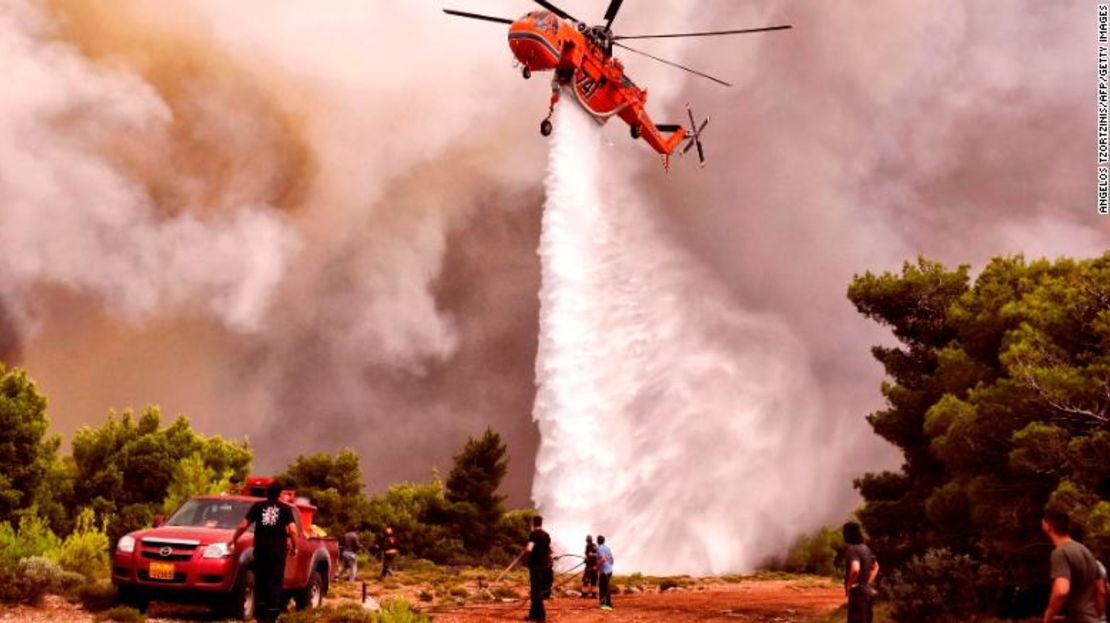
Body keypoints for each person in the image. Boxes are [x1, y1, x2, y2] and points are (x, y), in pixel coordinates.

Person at [229, 481, 298, 623]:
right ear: (280, 494)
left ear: (267, 492)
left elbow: (243, 525)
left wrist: (233, 539)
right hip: (278, 551)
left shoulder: (258, 506)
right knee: (275, 580)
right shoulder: (286, 509)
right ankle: (272, 615)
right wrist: (295, 546)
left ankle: (260, 613)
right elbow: (293, 530)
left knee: (260, 579)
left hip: (261, 549)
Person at [1042, 510, 1105, 623]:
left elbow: (1062, 590)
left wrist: (1049, 614)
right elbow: (1101, 590)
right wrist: (1096, 615)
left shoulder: (1060, 553)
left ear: (1047, 526)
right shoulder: (1086, 551)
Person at [842, 522, 878, 623]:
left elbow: (855, 569)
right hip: (867, 592)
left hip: (857, 594)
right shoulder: (866, 549)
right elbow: (876, 567)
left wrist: (849, 585)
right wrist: (867, 582)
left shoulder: (852, 550)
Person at [523, 515, 553, 621]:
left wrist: (525, 550)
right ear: (541, 523)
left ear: (533, 523)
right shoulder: (546, 535)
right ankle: (533, 615)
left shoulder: (533, 534)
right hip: (545, 566)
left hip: (535, 566)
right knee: (537, 590)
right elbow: (550, 550)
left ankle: (541, 616)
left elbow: (529, 549)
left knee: (536, 591)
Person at [596, 535, 614, 611]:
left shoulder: (599, 548)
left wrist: (597, 565)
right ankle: (609, 604)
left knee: (603, 588)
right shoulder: (607, 548)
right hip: (609, 570)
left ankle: (603, 604)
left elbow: (603, 559)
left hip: (604, 571)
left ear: (597, 541)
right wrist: (609, 565)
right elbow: (612, 559)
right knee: (607, 588)